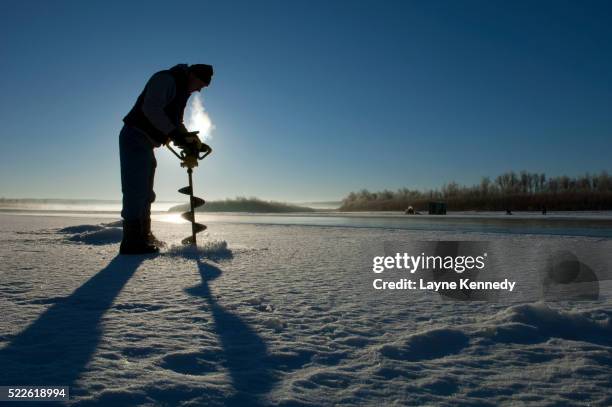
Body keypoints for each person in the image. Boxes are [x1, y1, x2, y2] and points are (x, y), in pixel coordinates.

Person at [119, 63, 213, 254]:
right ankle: (132, 242)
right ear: (192, 75)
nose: (198, 90)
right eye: (200, 85)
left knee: (145, 192)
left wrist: (190, 140)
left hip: (147, 143)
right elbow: (151, 109)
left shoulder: (181, 91)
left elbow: (176, 122)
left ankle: (144, 236)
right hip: (135, 136)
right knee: (136, 190)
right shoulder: (165, 79)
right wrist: (174, 134)